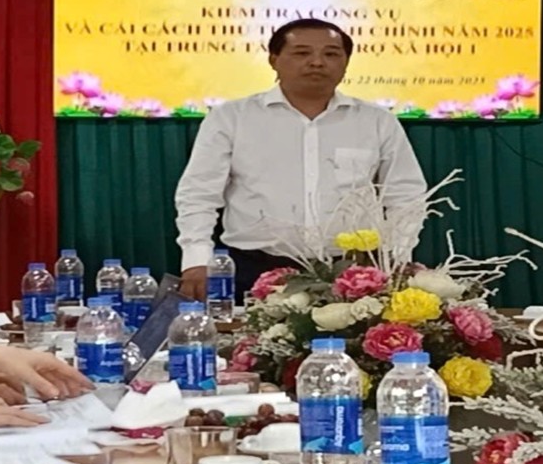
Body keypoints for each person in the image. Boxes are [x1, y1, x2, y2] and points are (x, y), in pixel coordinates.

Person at [174, 19, 428, 300]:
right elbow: (199, 194)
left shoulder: (376, 121)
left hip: (353, 272)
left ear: (346, 62)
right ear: (273, 60)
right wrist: (196, 260)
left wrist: (397, 258)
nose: (317, 62)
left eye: (331, 54)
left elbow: (405, 195)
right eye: (302, 53)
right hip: (254, 267)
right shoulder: (232, 117)